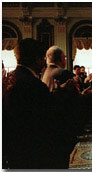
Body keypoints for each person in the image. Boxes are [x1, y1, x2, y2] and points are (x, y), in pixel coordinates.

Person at [2, 38, 56, 168]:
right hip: (32, 153)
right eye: (43, 58)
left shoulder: (11, 78)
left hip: (13, 149)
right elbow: (46, 122)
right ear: (37, 59)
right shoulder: (35, 86)